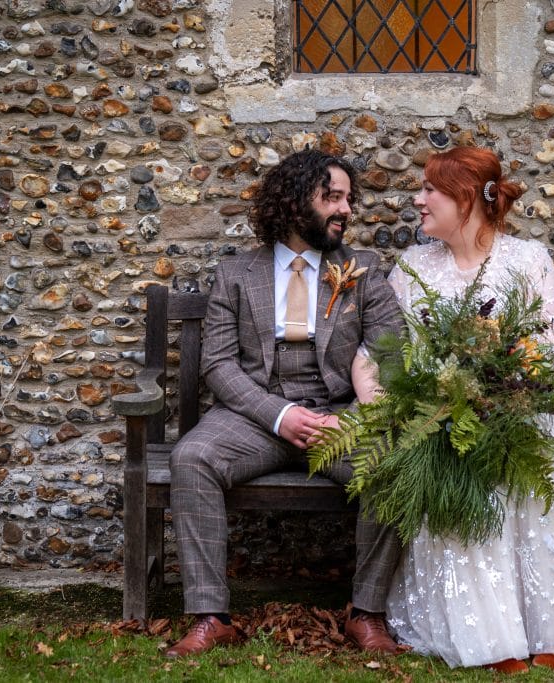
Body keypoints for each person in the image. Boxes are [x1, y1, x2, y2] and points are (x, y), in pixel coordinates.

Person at [357, 146, 554, 673]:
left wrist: (499, 393)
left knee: (543, 460)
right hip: (442, 416)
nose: (419, 199)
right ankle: (487, 631)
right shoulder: (412, 267)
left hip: (525, 407)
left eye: (430, 189)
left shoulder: (527, 260)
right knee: (452, 464)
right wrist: (392, 409)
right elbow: (374, 353)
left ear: (464, 198)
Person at [166, 149, 405, 658]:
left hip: (340, 413)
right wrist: (278, 414)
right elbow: (219, 365)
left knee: (394, 462)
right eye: (331, 198)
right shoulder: (235, 273)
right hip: (255, 414)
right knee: (191, 458)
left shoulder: (364, 270)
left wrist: (358, 417)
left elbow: (391, 355)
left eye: (347, 198)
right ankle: (211, 617)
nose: (346, 210)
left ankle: (367, 614)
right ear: (296, 202)